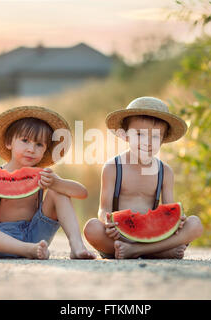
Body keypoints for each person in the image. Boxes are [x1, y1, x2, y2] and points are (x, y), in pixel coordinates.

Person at [0, 106, 96, 260]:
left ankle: (76, 245)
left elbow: (82, 193)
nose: (31, 149)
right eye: (25, 141)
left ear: (45, 150)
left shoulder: (43, 176)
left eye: (39, 144)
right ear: (9, 142)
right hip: (1, 241)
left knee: (58, 191)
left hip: (35, 237)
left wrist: (57, 183)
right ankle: (26, 250)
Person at [83, 97, 203, 259]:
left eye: (154, 137)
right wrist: (107, 222)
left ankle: (136, 251)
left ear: (163, 140)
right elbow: (104, 208)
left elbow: (169, 210)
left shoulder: (165, 171)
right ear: (125, 135)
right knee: (91, 228)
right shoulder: (112, 168)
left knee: (194, 224)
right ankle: (160, 252)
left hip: (154, 235)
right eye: (139, 134)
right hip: (118, 236)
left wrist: (178, 222)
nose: (147, 142)